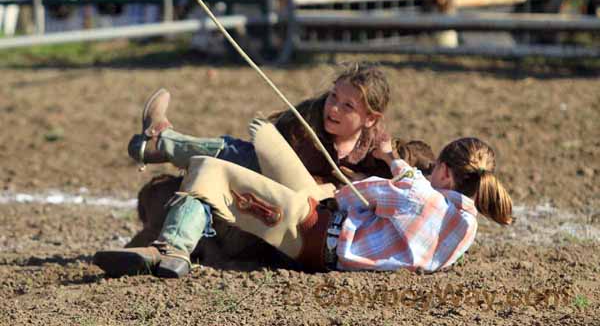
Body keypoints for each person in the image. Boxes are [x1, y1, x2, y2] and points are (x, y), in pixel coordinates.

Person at [93, 119, 511, 277]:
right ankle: (161, 144)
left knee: (212, 166)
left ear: (444, 172)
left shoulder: (418, 193)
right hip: (329, 252)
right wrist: (396, 166)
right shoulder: (466, 228)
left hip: (312, 230)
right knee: (253, 156)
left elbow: (353, 197)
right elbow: (409, 194)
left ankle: (173, 246)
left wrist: (358, 174)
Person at [128, 62, 393, 186]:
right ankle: (162, 141)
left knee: (233, 155)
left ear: (371, 118)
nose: (333, 108)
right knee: (236, 152)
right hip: (268, 175)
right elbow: (269, 149)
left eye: (348, 106)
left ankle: (159, 144)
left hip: (299, 213)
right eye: (333, 96)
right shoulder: (306, 120)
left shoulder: (376, 150)